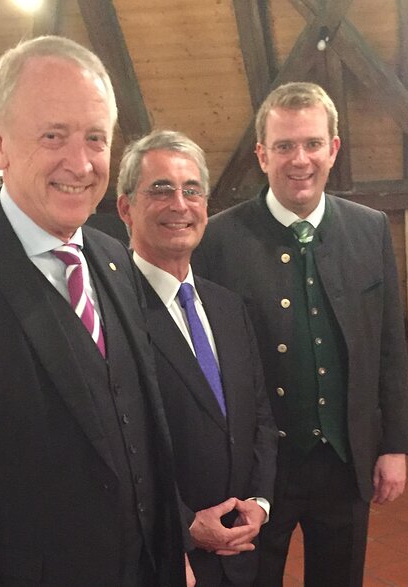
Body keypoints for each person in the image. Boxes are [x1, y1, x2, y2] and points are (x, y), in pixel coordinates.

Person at [0, 36, 187, 586]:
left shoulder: (113, 256)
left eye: (96, 138)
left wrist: (173, 546)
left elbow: (137, 429)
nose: (80, 162)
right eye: (54, 135)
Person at [193, 82, 408, 586]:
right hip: (256, 470)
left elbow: (387, 347)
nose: (300, 159)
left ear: (333, 149)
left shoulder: (370, 229)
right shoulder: (219, 240)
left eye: (313, 143)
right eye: (284, 146)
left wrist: (393, 445)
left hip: (345, 459)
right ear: (262, 155)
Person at [116, 130, 278, 586]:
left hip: (241, 543)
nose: (180, 205)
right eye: (160, 190)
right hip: (167, 555)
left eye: (192, 191)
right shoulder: (113, 312)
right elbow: (120, 448)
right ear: (125, 207)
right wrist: (184, 524)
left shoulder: (228, 305)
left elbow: (260, 414)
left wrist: (260, 504)